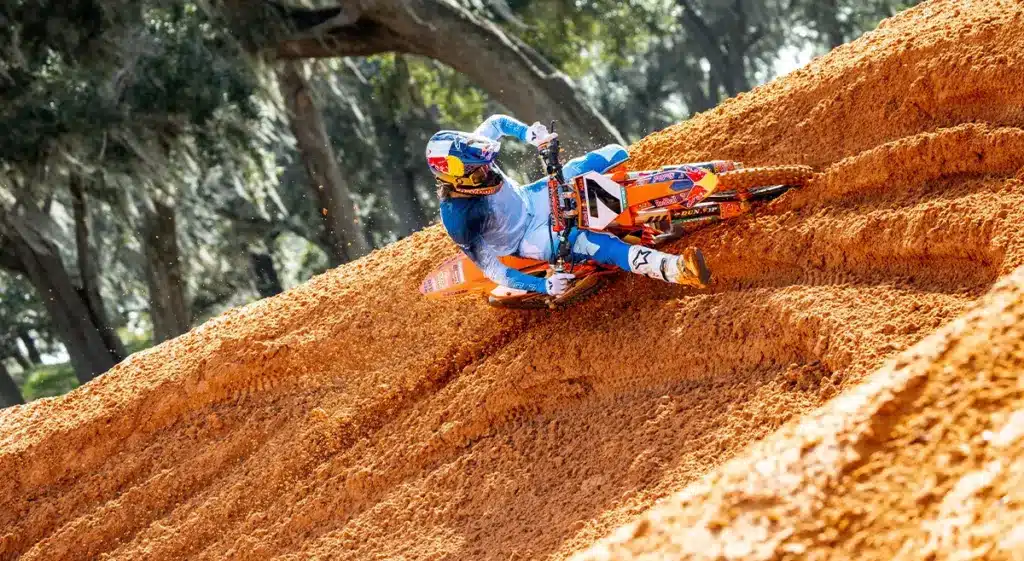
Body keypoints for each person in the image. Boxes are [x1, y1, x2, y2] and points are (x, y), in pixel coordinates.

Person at [426, 114, 712, 297]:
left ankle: (665, 188)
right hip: (527, 238)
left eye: (487, 164)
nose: (488, 172)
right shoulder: (458, 218)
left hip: (532, 198)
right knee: (590, 242)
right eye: (478, 174)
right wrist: (544, 285)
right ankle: (675, 269)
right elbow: (495, 272)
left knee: (610, 155)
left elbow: (497, 122)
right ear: (454, 179)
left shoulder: (474, 152)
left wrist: (531, 135)